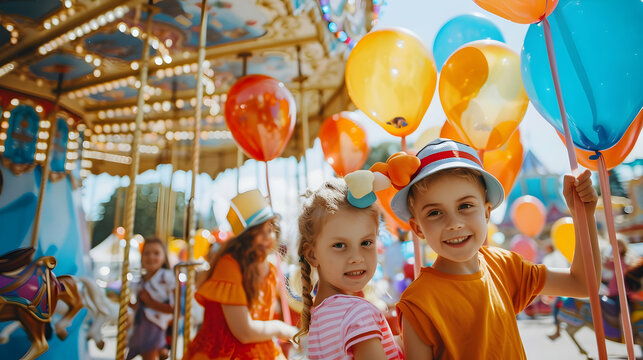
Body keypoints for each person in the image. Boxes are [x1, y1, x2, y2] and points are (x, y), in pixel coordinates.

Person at [381, 138, 600, 359]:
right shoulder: (417, 304)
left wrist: (583, 216)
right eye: (434, 212)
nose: (454, 223)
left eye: (465, 206)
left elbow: (583, 284)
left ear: (486, 213)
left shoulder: (505, 266)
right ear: (418, 228)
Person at [294, 176, 403, 359]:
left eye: (366, 242)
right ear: (313, 254)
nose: (356, 257)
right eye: (339, 245)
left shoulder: (322, 316)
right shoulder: (357, 313)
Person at [184, 189, 297, 360]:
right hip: (226, 352)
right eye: (258, 232)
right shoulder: (229, 265)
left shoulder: (271, 269)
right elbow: (244, 332)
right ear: (245, 237)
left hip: (262, 350)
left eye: (269, 229)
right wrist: (282, 329)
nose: (267, 237)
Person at [127, 237, 176, 360]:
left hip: (156, 325)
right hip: (141, 324)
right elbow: (138, 306)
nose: (151, 257)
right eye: (146, 253)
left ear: (164, 257)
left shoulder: (167, 277)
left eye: (156, 253)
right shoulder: (139, 282)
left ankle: (162, 348)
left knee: (149, 355)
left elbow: (176, 309)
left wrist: (150, 302)